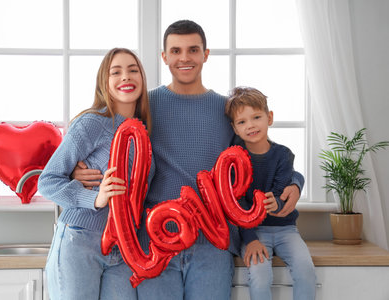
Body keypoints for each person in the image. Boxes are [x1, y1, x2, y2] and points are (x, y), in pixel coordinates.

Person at [72, 20, 304, 299]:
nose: (184, 58)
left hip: (212, 241)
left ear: (205, 54)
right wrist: (77, 171)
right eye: (176, 51)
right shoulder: (145, 104)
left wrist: (294, 181)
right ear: (164, 57)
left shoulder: (225, 109)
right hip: (155, 239)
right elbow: (108, 136)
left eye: (193, 50)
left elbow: (255, 158)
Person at [38, 48, 155, 300]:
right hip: (80, 240)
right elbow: (47, 181)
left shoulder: (144, 133)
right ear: (105, 82)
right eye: (116, 72)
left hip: (123, 248)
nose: (126, 77)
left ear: (142, 79)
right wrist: (94, 198)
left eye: (133, 70)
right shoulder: (92, 123)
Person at [225, 86, 316, 300]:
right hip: (252, 232)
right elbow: (237, 205)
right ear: (234, 128)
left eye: (256, 117)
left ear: (270, 117)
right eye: (242, 122)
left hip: (286, 230)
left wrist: (275, 201)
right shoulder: (234, 161)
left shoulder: (284, 155)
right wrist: (251, 239)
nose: (251, 125)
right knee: (260, 274)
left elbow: (281, 189)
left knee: (306, 269)